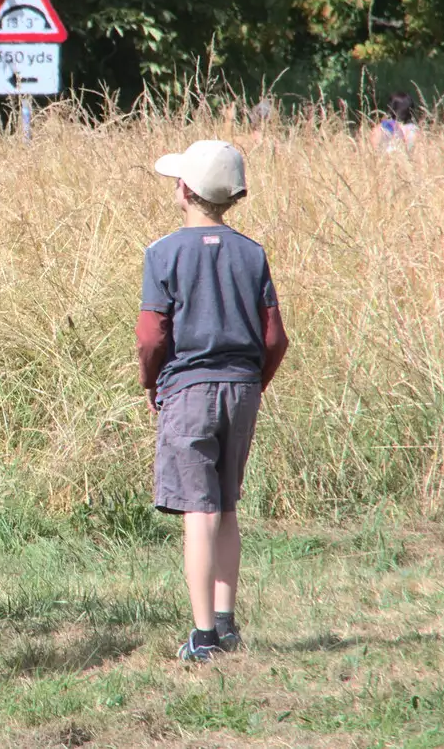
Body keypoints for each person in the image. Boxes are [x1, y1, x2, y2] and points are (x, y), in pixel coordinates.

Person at [136, 140, 289, 662]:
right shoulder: (252, 253)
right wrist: (255, 382)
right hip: (243, 388)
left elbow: (152, 336)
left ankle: (201, 638)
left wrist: (152, 382)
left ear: (184, 191)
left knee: (197, 513)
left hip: (188, 389)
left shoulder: (162, 253)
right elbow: (274, 339)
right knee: (226, 506)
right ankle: (226, 624)